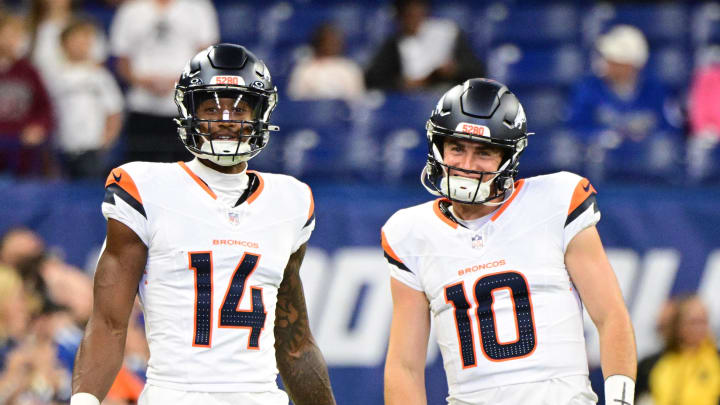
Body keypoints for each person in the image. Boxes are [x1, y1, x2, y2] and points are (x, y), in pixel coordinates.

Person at [70, 43, 336, 405]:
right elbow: (109, 323)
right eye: (212, 107)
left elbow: (294, 345)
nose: (225, 120)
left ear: (261, 114)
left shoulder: (290, 200)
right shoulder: (145, 188)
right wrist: (83, 401)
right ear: (188, 111)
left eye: (239, 108)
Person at [382, 78, 637, 405]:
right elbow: (405, 366)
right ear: (437, 147)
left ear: (508, 156)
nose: (467, 165)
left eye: (484, 152)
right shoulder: (410, 232)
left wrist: (620, 401)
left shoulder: (556, 200)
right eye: (457, 147)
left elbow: (611, 315)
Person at [109, 0, 219, 164]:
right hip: (142, 106)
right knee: (141, 171)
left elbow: (207, 57)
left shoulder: (198, 7)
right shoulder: (131, 10)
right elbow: (121, 59)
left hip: (185, 106)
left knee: (188, 172)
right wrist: (143, 82)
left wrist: (177, 81)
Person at [566, 25, 679, 179]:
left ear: (631, 65)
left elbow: (668, 131)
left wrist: (643, 138)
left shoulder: (654, 90)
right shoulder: (589, 87)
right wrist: (603, 137)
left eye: (615, 60)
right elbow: (574, 127)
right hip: (601, 175)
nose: (608, 64)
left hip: (647, 173)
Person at [47, 18, 124, 179]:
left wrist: (105, 142)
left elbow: (114, 111)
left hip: (92, 148)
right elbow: (47, 108)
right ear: (63, 44)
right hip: (61, 146)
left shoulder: (100, 76)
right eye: (75, 40)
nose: (80, 45)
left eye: (85, 40)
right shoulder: (53, 76)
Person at [365, 0, 485, 92]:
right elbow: (373, 79)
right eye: (408, 14)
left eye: (418, 11)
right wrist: (401, 84)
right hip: (410, 103)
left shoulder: (448, 33)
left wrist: (454, 70)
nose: (414, 18)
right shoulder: (394, 44)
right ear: (399, 17)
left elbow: (477, 71)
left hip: (446, 96)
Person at [0, 12, 55, 177]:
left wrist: (38, 127)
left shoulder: (28, 71)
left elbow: (44, 108)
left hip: (20, 147)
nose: (14, 41)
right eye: (9, 34)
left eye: (18, 35)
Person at [647, 295, 720, 405]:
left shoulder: (716, 360)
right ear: (678, 325)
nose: (699, 328)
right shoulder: (653, 364)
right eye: (693, 322)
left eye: (703, 321)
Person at [287, 23, 365, 101]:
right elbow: (295, 98)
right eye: (327, 41)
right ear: (318, 42)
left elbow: (357, 99)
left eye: (334, 41)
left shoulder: (349, 68)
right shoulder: (304, 69)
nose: (331, 45)